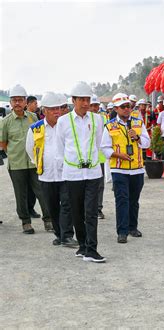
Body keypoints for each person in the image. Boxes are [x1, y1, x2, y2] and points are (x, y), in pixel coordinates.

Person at [56, 81, 106, 263]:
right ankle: (83, 246)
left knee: (91, 212)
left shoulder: (97, 119)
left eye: (87, 99)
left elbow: (100, 143)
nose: (85, 103)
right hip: (73, 174)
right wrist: (66, 169)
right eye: (82, 100)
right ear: (73, 100)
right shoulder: (63, 121)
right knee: (77, 212)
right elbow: (60, 148)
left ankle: (92, 249)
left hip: (92, 172)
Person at [26, 92, 77, 247]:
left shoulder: (68, 126)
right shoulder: (35, 129)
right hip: (46, 176)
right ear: (44, 111)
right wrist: (41, 163)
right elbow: (30, 149)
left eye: (60, 108)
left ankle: (67, 235)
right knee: (52, 207)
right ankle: (59, 234)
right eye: (53, 109)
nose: (57, 112)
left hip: (66, 173)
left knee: (67, 205)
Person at [0, 84, 52, 234]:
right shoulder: (5, 122)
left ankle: (48, 220)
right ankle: (26, 222)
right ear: (10, 102)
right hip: (16, 164)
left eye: (20, 100)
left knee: (41, 191)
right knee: (20, 194)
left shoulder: (33, 117)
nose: (17, 103)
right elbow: (3, 143)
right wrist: (14, 152)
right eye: (14, 100)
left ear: (25, 102)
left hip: (34, 163)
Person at [101, 93, 150, 243]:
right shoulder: (109, 126)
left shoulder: (138, 123)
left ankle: (132, 227)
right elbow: (104, 148)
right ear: (116, 108)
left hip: (137, 168)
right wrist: (118, 155)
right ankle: (122, 231)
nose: (127, 109)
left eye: (128, 106)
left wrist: (137, 137)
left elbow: (147, 144)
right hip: (119, 169)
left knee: (134, 200)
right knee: (122, 200)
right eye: (123, 107)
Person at [89, 94, 107, 219]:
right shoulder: (81, 120)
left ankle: (98, 209)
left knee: (99, 185)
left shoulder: (102, 119)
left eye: (96, 105)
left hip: (99, 158)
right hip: (86, 158)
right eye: (92, 105)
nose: (94, 108)